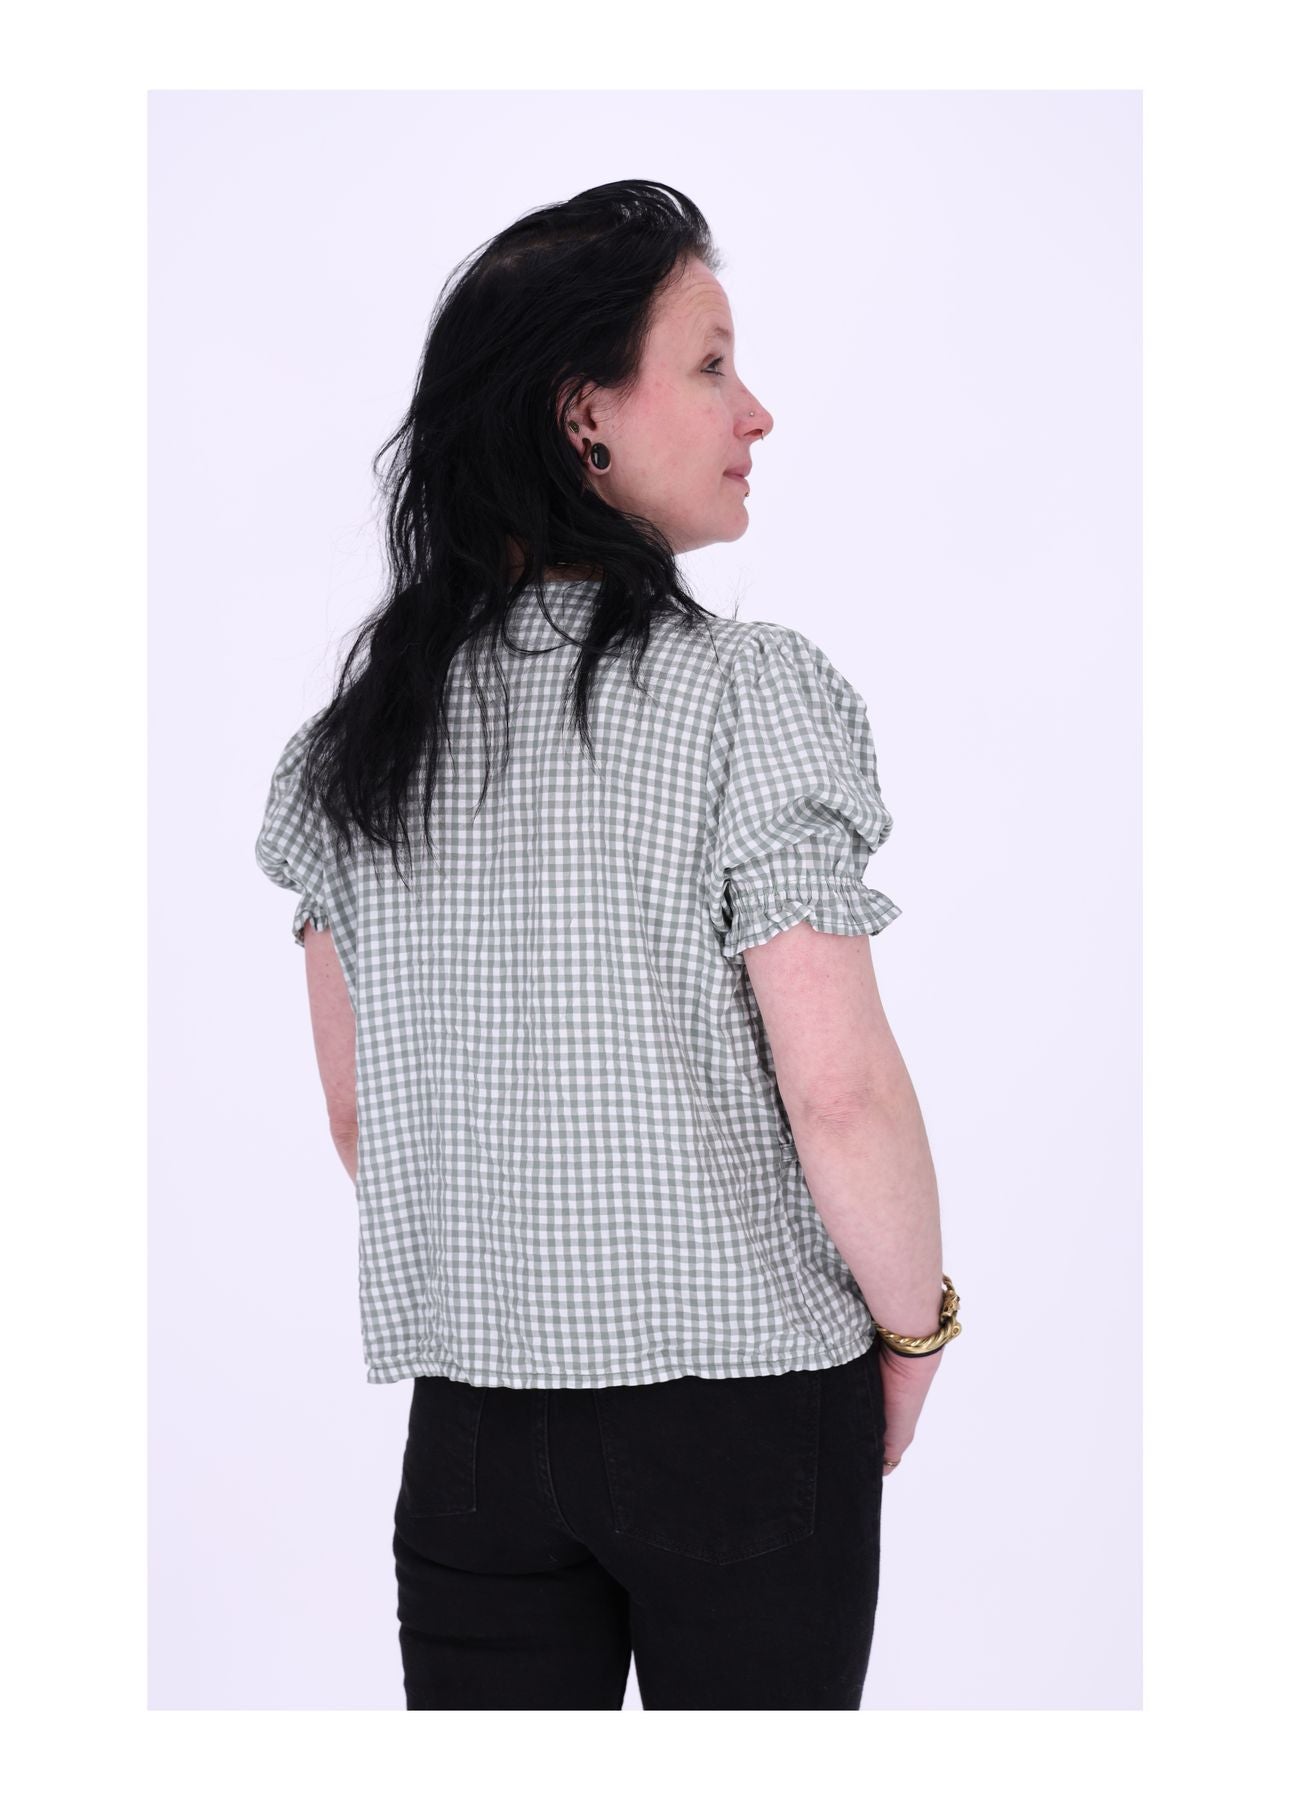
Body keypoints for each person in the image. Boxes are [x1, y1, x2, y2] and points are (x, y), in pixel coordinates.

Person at [254, 180, 960, 1710]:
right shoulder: (748, 697)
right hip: (746, 1413)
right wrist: (915, 1327)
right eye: (709, 364)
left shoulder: (356, 749)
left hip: (475, 1430)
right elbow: (837, 1092)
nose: (755, 411)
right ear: (583, 415)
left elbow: (366, 1117)